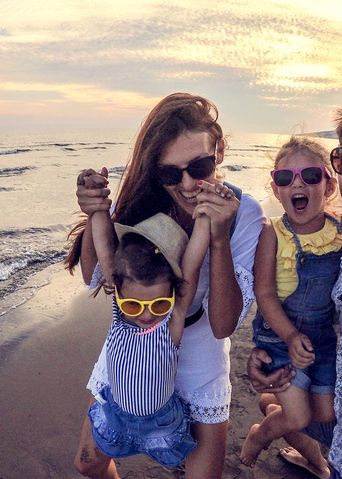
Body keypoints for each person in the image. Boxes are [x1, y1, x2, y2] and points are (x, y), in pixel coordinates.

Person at [66, 92, 265, 478]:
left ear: (219, 151)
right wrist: (95, 213)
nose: (188, 184)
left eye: (200, 166)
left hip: (201, 354)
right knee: (88, 465)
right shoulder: (148, 201)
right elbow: (98, 275)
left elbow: (224, 325)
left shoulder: (246, 212)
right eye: (171, 173)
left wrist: (219, 238)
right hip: (132, 346)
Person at [240, 136, 342, 467]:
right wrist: (289, 336)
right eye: (286, 178)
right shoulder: (273, 232)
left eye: (311, 175)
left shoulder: (338, 231)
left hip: (322, 337)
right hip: (280, 335)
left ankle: (274, 408)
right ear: (276, 189)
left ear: (329, 185)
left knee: (326, 412)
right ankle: (261, 433)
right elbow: (265, 294)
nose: (298, 183)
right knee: (298, 417)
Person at [84, 209, 211, 469]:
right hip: (118, 416)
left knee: (172, 458)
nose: (146, 314)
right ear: (119, 292)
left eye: (159, 304)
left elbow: (192, 264)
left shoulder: (171, 323)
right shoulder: (119, 315)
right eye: (133, 305)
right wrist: (97, 208)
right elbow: (103, 247)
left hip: (160, 422)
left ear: (173, 295)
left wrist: (205, 219)